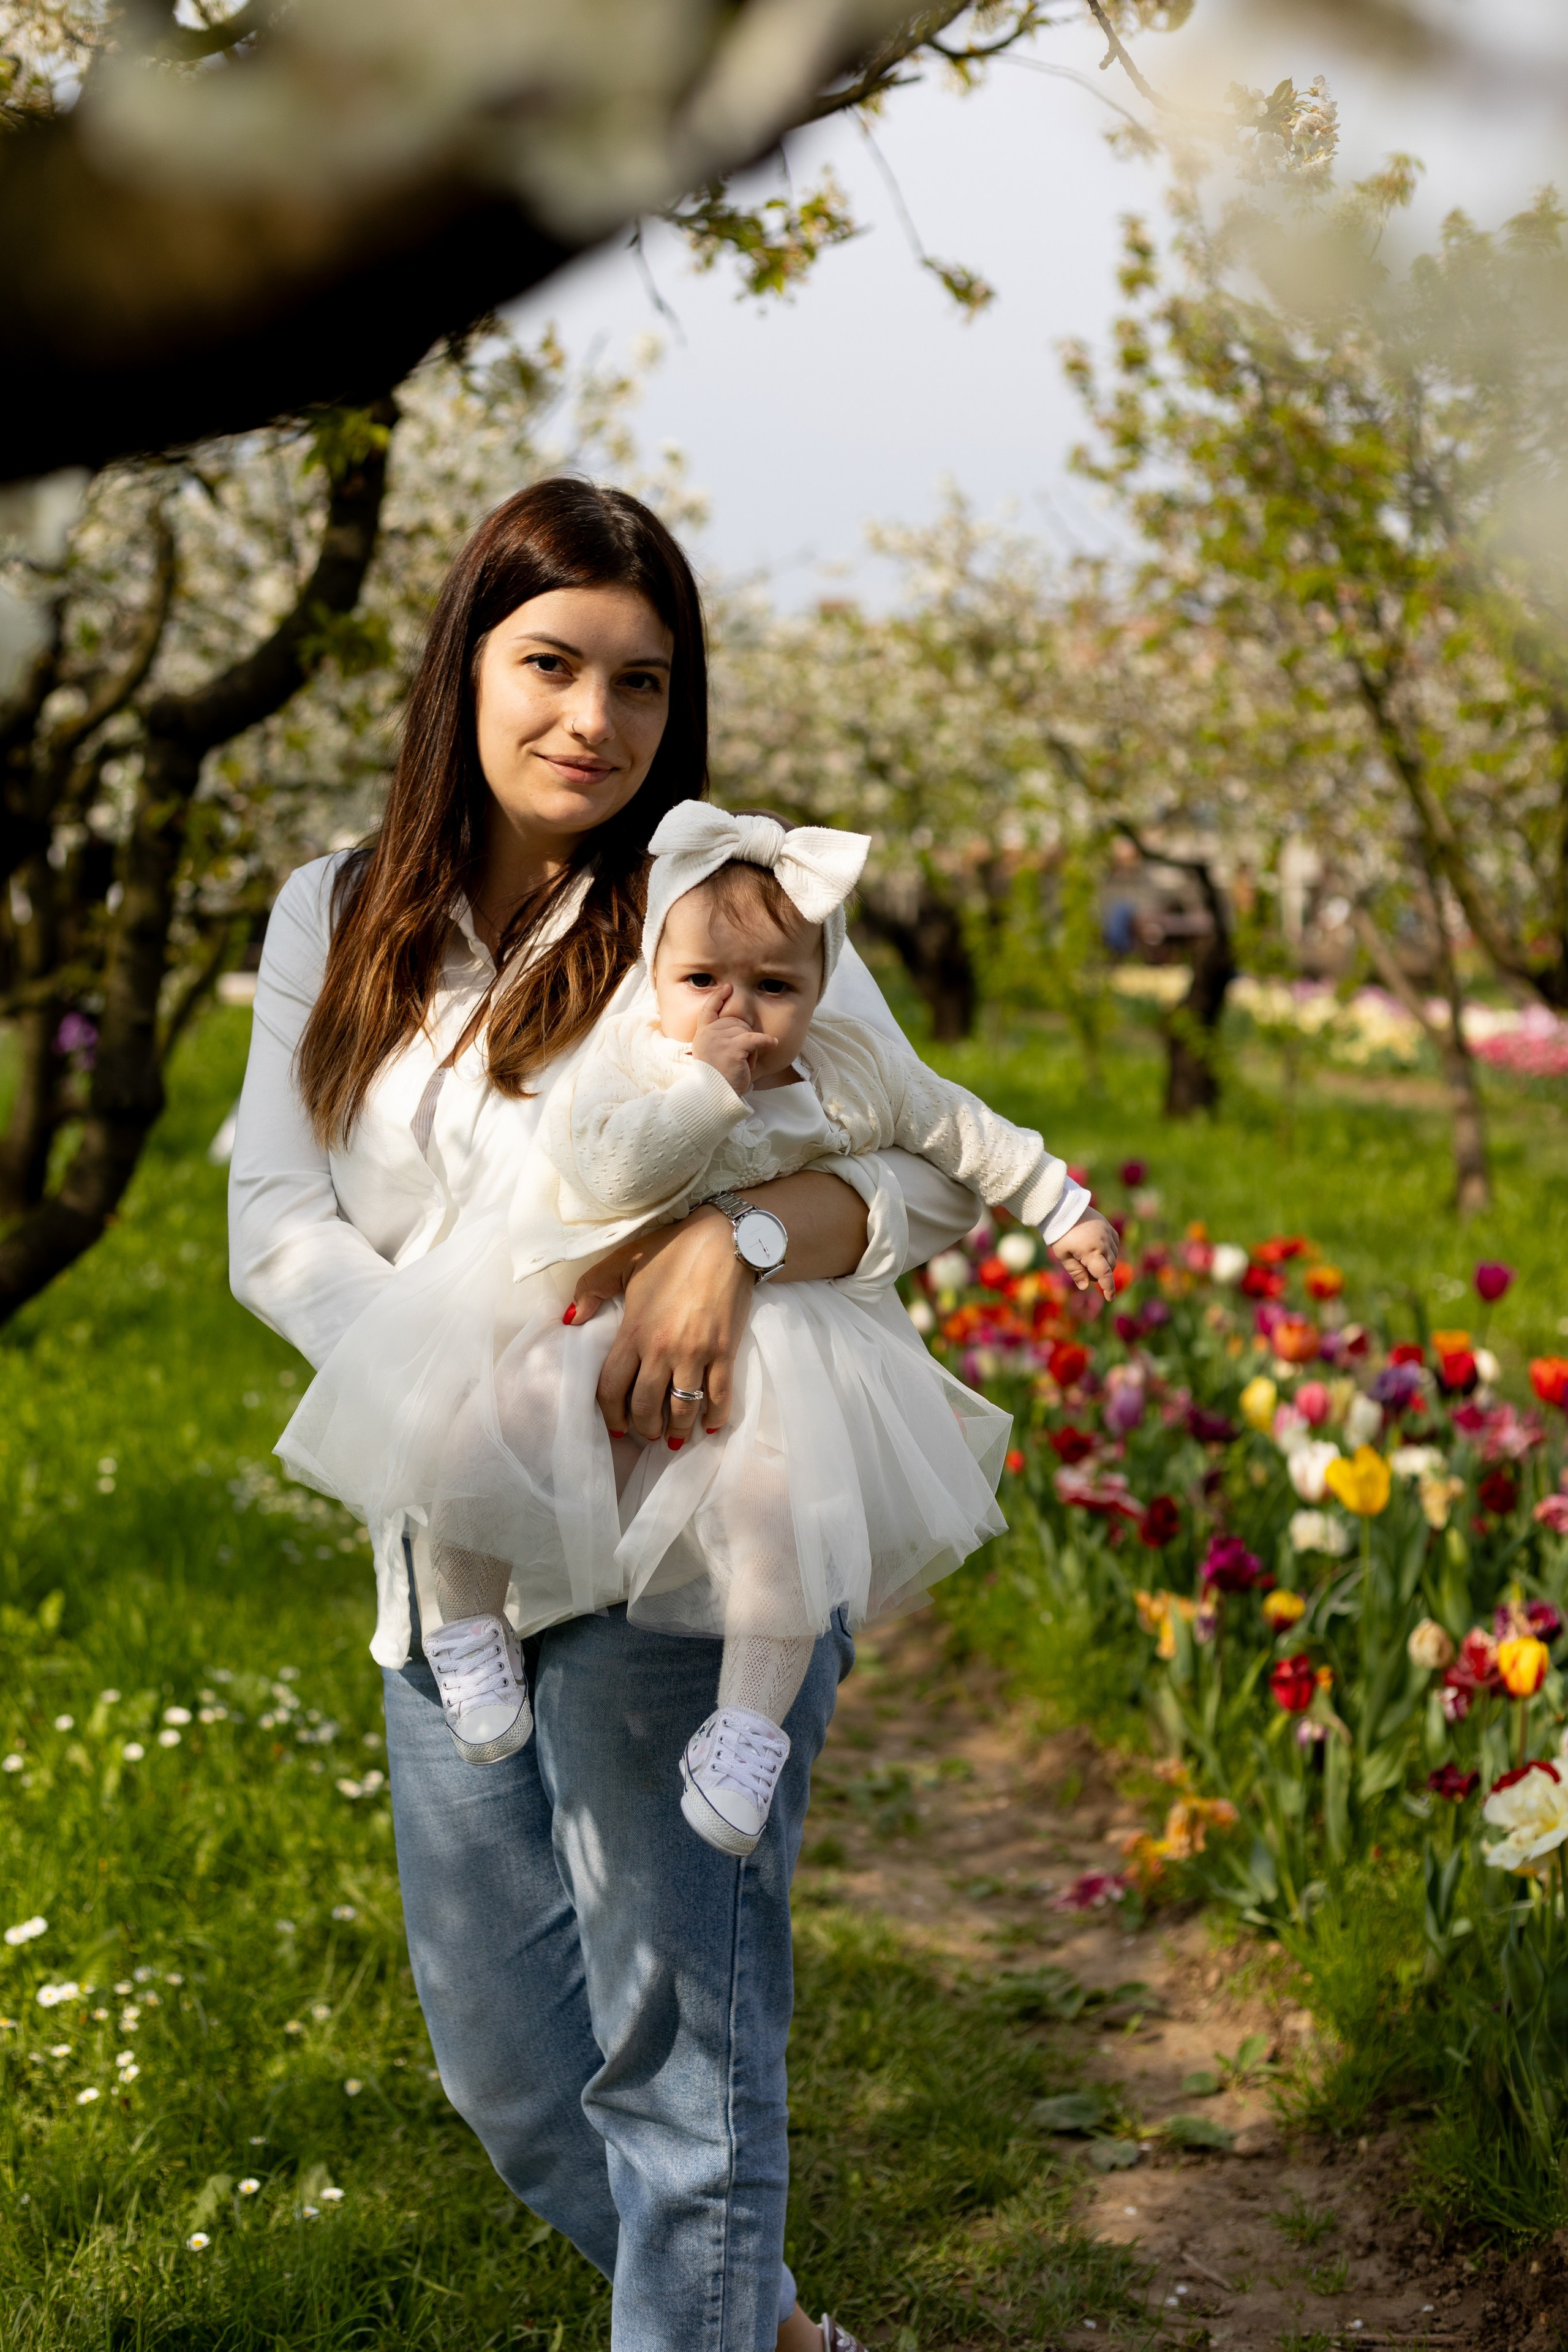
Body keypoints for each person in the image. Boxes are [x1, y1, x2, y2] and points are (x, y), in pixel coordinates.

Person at [228, 477, 1118, 2352]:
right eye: (551, 665)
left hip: (691, 1542)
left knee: (683, 2087)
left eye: (642, 684)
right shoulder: (339, 911)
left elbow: (923, 1165)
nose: (594, 722)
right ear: (465, 665)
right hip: (454, 1542)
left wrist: (735, 1237)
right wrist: (461, 1382)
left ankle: (710, 2317)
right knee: (509, 2070)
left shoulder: (722, 898)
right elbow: (276, 1225)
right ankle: (770, 2332)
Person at [276, 801, 1118, 1858]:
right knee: (486, 1433)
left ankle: (745, 1730)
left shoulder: (854, 1066)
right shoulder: (634, 1058)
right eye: (703, 983)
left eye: (776, 988)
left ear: (820, 987)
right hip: (590, 1305)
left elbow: (961, 1131)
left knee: (785, 1510)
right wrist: (707, 1094)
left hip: (771, 1341)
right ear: (657, 977)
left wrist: (1062, 1205)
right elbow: (611, 1170)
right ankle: (469, 1625)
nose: (739, 1011)